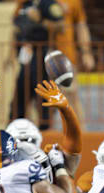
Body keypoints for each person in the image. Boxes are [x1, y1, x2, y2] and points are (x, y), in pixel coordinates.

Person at [39, 0, 95, 129]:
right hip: (40, 57)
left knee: (71, 96)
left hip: (64, 57)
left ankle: (81, 134)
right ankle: (46, 135)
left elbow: (81, 26)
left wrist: (86, 52)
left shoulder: (74, 2)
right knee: (43, 98)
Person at [9, 0, 64, 124]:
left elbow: (61, 26)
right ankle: (15, 125)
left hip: (42, 56)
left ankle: (46, 128)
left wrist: (40, 20)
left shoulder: (49, 4)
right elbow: (16, 29)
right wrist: (10, 55)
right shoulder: (24, 4)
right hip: (26, 55)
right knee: (20, 94)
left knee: (43, 95)